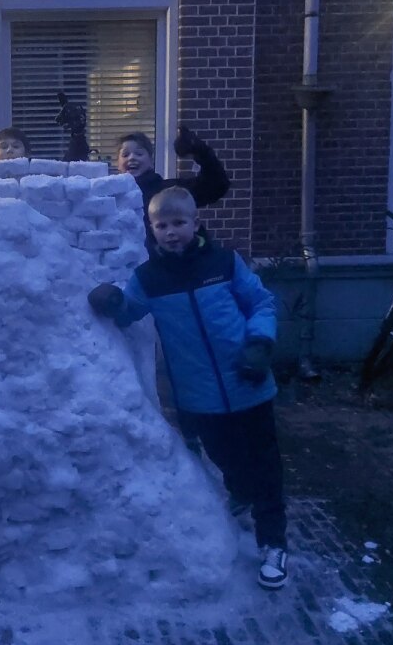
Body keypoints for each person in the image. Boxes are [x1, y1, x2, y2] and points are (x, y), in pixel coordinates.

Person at [86, 187, 289, 589]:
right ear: (152, 229)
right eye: (162, 225)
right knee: (223, 456)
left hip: (248, 381)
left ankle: (273, 543)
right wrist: (110, 301)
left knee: (265, 465)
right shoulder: (149, 278)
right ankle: (241, 492)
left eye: (179, 223)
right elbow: (131, 312)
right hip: (197, 396)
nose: (171, 232)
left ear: (196, 223)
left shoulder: (224, 262)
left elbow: (261, 303)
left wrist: (259, 344)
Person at [116, 128, 229, 248]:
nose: (132, 158)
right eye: (125, 154)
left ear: (151, 161)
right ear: (117, 163)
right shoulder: (110, 198)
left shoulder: (167, 191)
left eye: (139, 153)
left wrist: (200, 152)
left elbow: (216, 185)